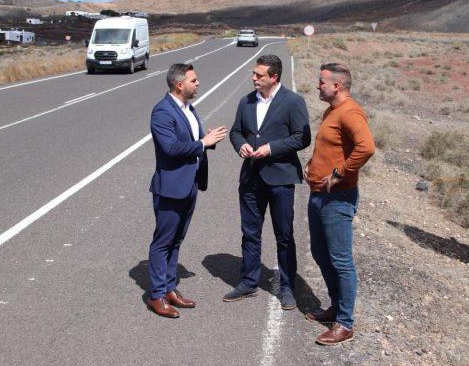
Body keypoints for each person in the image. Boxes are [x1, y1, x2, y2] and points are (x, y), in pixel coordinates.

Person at [227, 54, 311, 309]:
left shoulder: (293, 102)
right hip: (251, 178)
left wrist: (272, 148)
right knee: (250, 233)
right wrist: (241, 145)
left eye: (259, 75)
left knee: (284, 235)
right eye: (254, 74)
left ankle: (287, 287)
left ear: (273, 77)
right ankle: (249, 281)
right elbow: (236, 132)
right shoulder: (246, 102)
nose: (253, 78)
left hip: (280, 178)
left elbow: (301, 138)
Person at [147, 63, 227, 318]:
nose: (198, 83)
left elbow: (193, 142)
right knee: (163, 242)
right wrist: (203, 143)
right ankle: (156, 295)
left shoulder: (188, 108)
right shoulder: (162, 112)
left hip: (189, 184)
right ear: (179, 84)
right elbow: (170, 148)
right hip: (170, 187)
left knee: (177, 240)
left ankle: (170, 288)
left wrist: (206, 141)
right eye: (194, 80)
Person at [304, 63, 375, 345]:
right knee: (320, 254)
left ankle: (345, 323)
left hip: (338, 199)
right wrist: (311, 164)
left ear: (337, 86)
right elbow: (328, 146)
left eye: (321, 82)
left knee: (341, 260)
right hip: (318, 195)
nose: (317, 86)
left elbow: (366, 147)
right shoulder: (331, 111)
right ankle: (335, 307)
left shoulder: (350, 112)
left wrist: (339, 174)